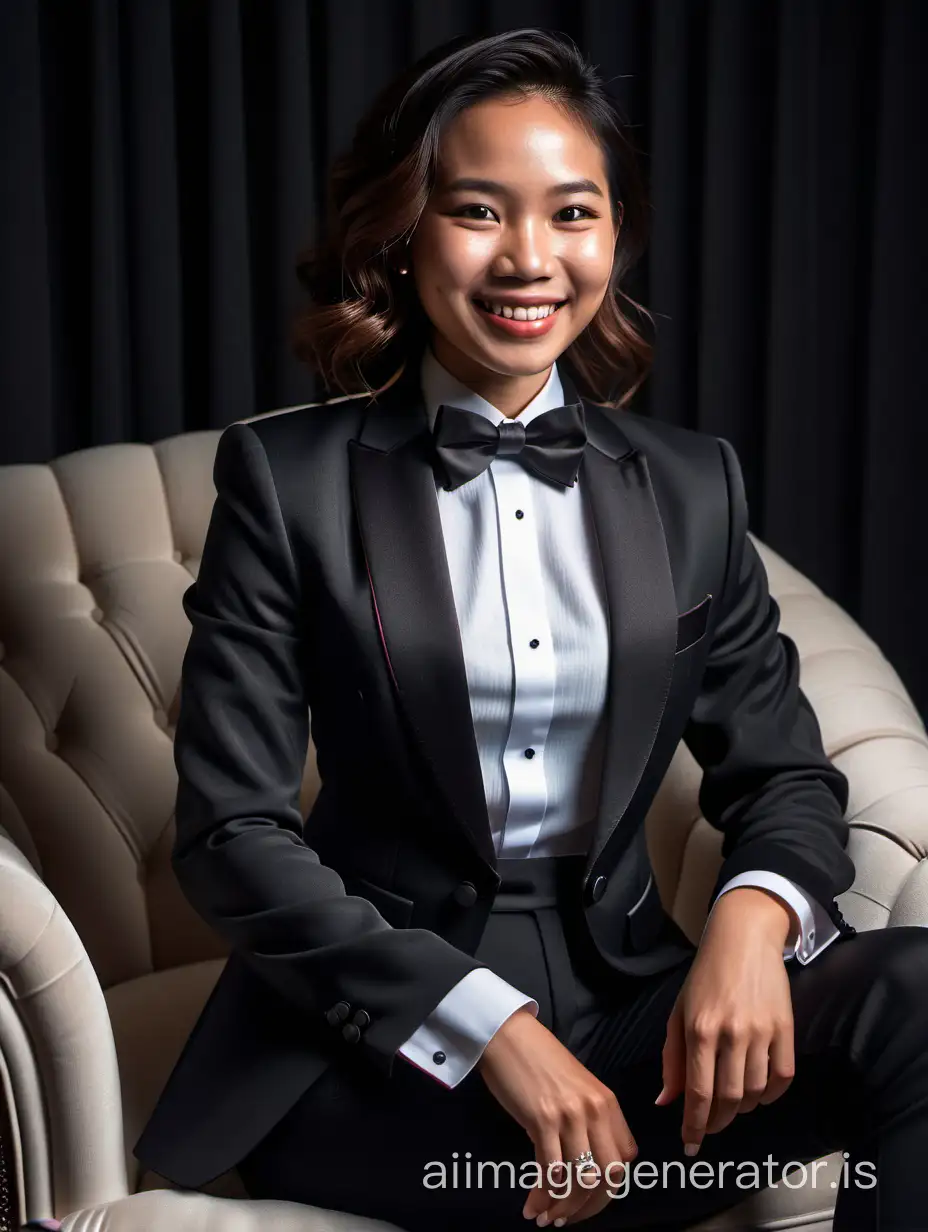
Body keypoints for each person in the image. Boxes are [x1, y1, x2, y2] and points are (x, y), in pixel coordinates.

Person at [134, 27, 928, 1232]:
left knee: (915, 1001)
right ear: (403, 236)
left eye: (572, 213)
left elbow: (788, 779)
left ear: (615, 234)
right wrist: (485, 1022)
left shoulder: (690, 483)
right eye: (476, 211)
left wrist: (749, 925)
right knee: (527, 1180)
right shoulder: (285, 480)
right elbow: (231, 833)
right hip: (380, 1052)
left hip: (630, 1013)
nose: (529, 258)